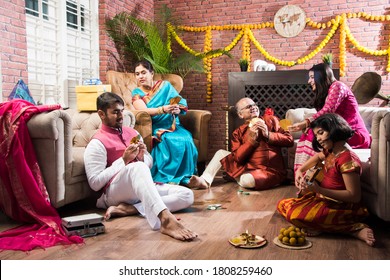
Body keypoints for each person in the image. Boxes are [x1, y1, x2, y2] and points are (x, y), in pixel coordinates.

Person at [84, 92, 197, 241]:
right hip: (112, 193)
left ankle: (130, 209)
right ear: (101, 114)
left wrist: (143, 155)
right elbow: (95, 184)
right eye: (115, 112)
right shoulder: (97, 143)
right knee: (137, 167)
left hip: (139, 190)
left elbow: (147, 165)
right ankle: (166, 219)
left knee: (187, 196)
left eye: (122, 110)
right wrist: (123, 161)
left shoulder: (133, 132)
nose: (120, 116)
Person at [278, 113, 375, 246]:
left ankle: (354, 229)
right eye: (316, 135)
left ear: (335, 129)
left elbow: (354, 196)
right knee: (283, 205)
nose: (318, 138)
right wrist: (300, 170)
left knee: (296, 216)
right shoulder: (331, 151)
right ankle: (320, 225)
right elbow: (318, 157)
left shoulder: (347, 159)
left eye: (321, 133)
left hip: (341, 207)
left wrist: (319, 189)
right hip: (323, 199)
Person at [188, 97, 294, 190]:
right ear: (240, 114)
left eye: (254, 105)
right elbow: (238, 158)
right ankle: (205, 180)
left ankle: (234, 175)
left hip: (269, 171)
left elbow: (289, 140)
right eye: (248, 107)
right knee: (221, 153)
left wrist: (268, 135)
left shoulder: (271, 120)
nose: (253, 107)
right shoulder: (237, 132)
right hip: (247, 167)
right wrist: (251, 141)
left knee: (247, 181)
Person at [289, 63, 371, 176]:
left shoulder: (338, 86)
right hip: (337, 132)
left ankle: (310, 180)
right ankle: (302, 178)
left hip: (354, 134)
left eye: (312, 77)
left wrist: (307, 122)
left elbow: (328, 110)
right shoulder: (327, 92)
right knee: (308, 133)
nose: (309, 81)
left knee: (313, 135)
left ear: (322, 76)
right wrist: (309, 126)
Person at [131, 60, 198, 185]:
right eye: (137, 74)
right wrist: (163, 109)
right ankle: (168, 178)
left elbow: (178, 101)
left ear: (152, 73)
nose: (140, 76)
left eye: (143, 72)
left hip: (172, 124)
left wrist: (177, 108)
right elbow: (142, 110)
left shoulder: (165, 86)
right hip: (156, 126)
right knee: (168, 140)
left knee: (186, 138)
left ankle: (186, 176)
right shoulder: (137, 93)